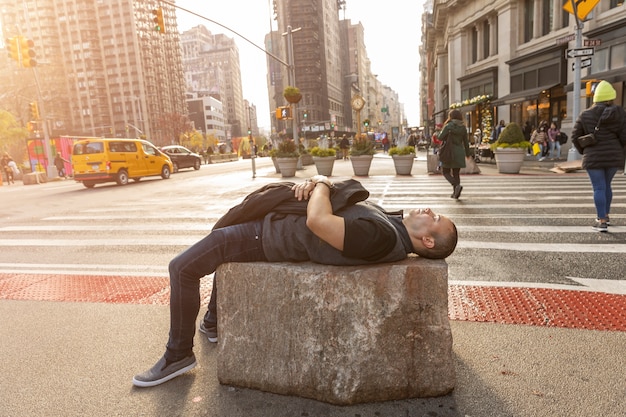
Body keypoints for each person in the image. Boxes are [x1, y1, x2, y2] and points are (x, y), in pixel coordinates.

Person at [132, 176, 459, 387]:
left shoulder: (381, 236)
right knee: (219, 248)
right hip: (272, 228)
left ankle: (178, 355)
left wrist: (321, 184)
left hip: (267, 237)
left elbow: (318, 221)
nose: (430, 211)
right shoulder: (392, 227)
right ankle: (213, 323)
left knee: (182, 268)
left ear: (428, 242)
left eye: (435, 219)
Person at [571, 80, 626, 232]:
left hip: (593, 156)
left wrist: (584, 151)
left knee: (599, 187)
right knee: (607, 185)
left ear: (595, 97)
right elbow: (624, 136)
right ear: (611, 97)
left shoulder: (585, 114)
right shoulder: (620, 113)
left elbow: (575, 136)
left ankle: (601, 220)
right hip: (614, 156)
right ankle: (606, 216)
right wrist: (619, 150)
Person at [438, 109, 471, 199]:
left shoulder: (448, 126)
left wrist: (439, 132)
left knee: (445, 171)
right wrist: (468, 154)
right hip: (459, 152)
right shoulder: (463, 127)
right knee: (456, 173)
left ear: (451, 117)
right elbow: (466, 142)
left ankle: (456, 185)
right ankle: (455, 193)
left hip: (449, 151)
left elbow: (440, 137)